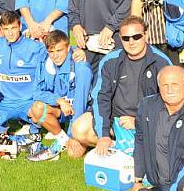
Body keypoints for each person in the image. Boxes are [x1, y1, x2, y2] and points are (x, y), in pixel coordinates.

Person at [68, 16, 170, 158]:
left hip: (148, 122)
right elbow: (100, 98)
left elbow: (169, 104)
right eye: (126, 38)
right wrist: (103, 134)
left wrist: (139, 121)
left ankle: (131, 147)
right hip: (116, 122)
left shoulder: (161, 62)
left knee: (168, 138)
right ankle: (119, 145)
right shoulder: (110, 61)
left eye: (136, 36)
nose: (131, 42)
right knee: (79, 129)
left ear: (145, 36)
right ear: (120, 39)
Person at [0, 10, 48, 140]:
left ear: (20, 27)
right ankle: (2, 127)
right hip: (5, 102)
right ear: (1, 29)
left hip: (29, 102)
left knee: (43, 111)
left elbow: (55, 53)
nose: (10, 33)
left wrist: (74, 52)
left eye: (13, 28)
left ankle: (35, 128)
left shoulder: (35, 47)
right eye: (6, 29)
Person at [27, 30, 92, 161]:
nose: (55, 56)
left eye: (59, 50)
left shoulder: (81, 67)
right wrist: (59, 100)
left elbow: (81, 105)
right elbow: (36, 93)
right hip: (62, 110)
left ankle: (77, 137)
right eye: (51, 51)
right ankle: (63, 140)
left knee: (74, 154)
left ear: (68, 48)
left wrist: (74, 135)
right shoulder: (44, 63)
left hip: (82, 113)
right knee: (36, 109)